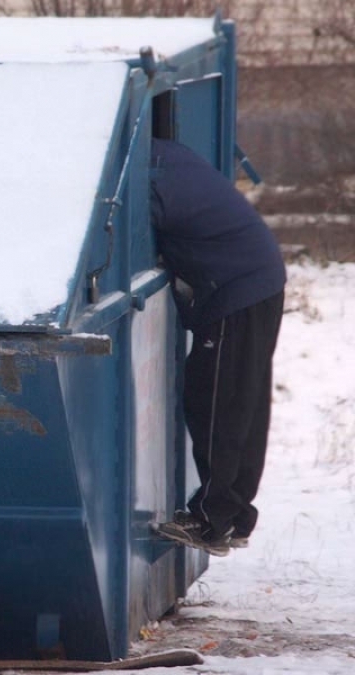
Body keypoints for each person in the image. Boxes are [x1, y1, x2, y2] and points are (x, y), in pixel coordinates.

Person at [150, 137, 286, 557]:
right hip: (260, 280)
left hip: (237, 290)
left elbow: (117, 227)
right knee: (243, 401)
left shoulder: (149, 176)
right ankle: (237, 515)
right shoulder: (166, 156)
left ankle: (212, 520)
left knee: (216, 402)